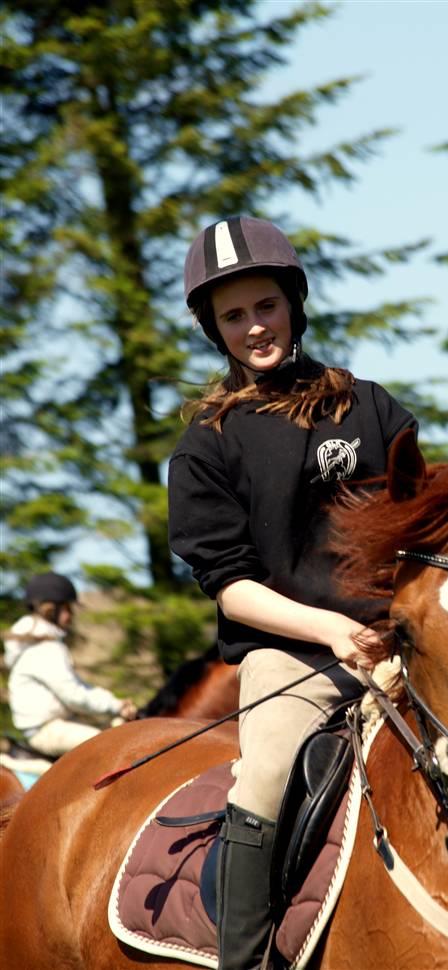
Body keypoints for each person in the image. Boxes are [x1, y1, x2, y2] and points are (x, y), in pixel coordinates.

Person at [168, 216, 418, 970]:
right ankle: (245, 963)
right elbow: (230, 587)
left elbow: (418, 528)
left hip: (397, 646)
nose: (254, 327)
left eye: (265, 306)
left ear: (294, 304)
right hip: (289, 660)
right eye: (233, 315)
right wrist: (332, 630)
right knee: (268, 776)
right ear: (216, 329)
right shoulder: (206, 445)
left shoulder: (370, 408)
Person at [4, 572, 138, 757]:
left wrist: (114, 703)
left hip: (57, 724)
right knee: (109, 745)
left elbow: (78, 686)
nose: (71, 616)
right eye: (67, 609)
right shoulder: (45, 649)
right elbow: (73, 695)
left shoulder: (38, 645)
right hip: (47, 730)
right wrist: (114, 705)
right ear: (51, 610)